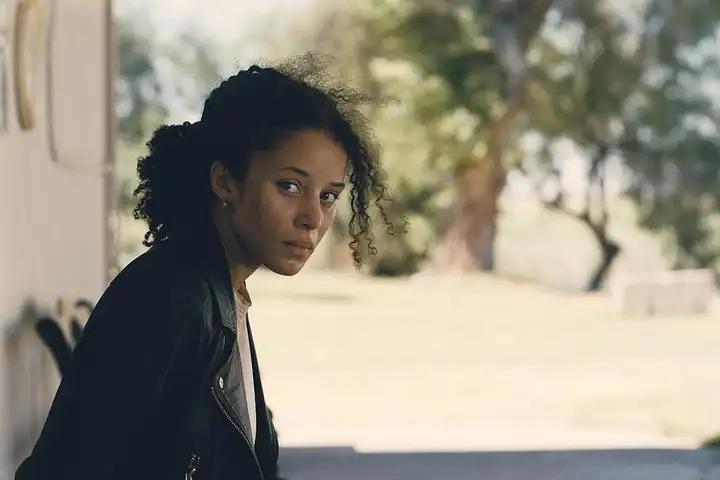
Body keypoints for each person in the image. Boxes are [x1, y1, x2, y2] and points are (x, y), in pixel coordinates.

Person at [15, 54, 400, 480]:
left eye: (328, 196)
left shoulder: (222, 293)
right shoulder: (172, 299)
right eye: (290, 186)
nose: (313, 217)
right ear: (225, 182)